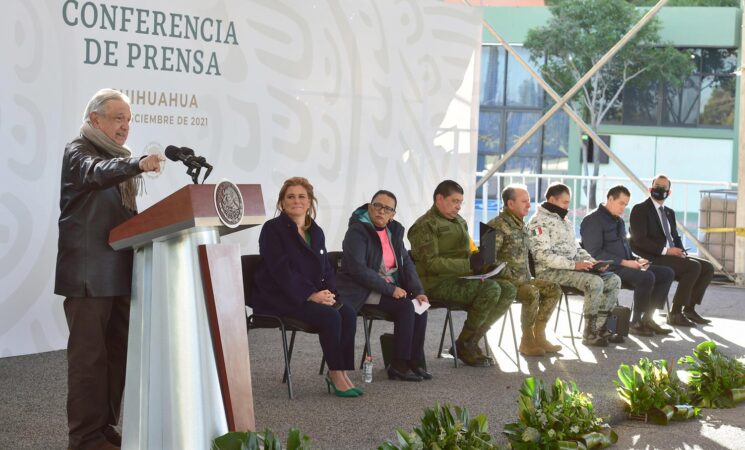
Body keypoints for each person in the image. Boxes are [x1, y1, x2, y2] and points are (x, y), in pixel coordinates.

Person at [55, 88, 163, 450]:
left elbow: (123, 218)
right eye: (118, 118)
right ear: (94, 119)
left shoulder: (118, 160)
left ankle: (103, 428)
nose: (125, 127)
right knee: (89, 361)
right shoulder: (80, 153)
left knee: (117, 356)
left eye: (129, 120)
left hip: (119, 272)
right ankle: (84, 437)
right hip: (88, 276)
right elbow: (97, 172)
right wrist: (136, 164)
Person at [250, 177, 360, 397]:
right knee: (331, 317)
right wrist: (311, 295)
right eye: (290, 196)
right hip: (280, 298)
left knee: (348, 312)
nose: (296, 201)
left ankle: (342, 370)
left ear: (309, 202)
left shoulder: (315, 231)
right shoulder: (272, 230)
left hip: (312, 295)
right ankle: (335, 374)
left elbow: (325, 267)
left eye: (302, 196)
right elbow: (281, 271)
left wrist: (329, 293)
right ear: (282, 203)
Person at [408, 180, 515, 367]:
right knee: (490, 289)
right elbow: (431, 263)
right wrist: (469, 264)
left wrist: (483, 260)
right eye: (454, 201)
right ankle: (465, 344)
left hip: (460, 278)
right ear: (439, 199)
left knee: (508, 289)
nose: (458, 207)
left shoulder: (460, 222)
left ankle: (469, 341)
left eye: (460, 202)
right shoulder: (425, 225)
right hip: (434, 284)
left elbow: (467, 253)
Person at [336, 190, 431, 381]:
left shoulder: (394, 232)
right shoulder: (357, 231)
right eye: (378, 206)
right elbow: (358, 270)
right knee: (405, 307)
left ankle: (414, 361)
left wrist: (418, 291)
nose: (381, 211)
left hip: (388, 287)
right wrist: (391, 289)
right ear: (370, 207)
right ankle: (398, 364)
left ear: (393, 215)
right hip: (361, 289)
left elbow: (407, 263)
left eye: (387, 209)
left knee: (420, 307)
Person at [527, 182, 621, 347]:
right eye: (564, 202)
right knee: (594, 282)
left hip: (570, 268)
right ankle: (589, 333)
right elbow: (543, 257)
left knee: (614, 280)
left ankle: (600, 328)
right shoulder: (538, 223)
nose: (567, 207)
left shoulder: (565, 222)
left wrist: (593, 262)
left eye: (568, 203)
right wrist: (574, 265)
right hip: (550, 272)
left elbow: (576, 249)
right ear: (551, 199)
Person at [580, 185, 674, 336]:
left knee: (666, 273)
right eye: (621, 203)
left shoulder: (619, 221)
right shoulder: (592, 220)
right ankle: (636, 322)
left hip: (625, 265)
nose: (623, 208)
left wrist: (637, 260)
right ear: (610, 199)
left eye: (626, 204)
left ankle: (647, 319)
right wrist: (626, 262)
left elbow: (625, 249)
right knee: (647, 277)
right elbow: (594, 253)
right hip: (608, 269)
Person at [487, 184, 562, 357]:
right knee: (531, 292)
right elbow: (487, 261)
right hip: (505, 281)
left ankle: (539, 335)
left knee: (554, 289)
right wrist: (509, 274)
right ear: (510, 204)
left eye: (529, 201)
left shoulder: (521, 225)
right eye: (524, 201)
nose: (529, 205)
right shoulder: (494, 225)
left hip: (524, 278)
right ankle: (526, 341)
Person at [629, 174, 714, 327]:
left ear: (669, 192)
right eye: (657, 187)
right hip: (652, 256)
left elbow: (674, 236)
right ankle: (675, 313)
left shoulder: (669, 212)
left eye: (663, 188)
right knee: (693, 267)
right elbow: (639, 240)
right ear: (650, 188)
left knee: (707, 267)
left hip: (671, 255)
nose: (659, 190)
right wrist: (666, 251)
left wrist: (681, 251)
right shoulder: (640, 209)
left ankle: (689, 309)